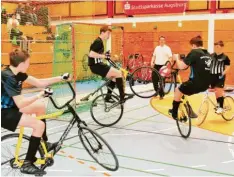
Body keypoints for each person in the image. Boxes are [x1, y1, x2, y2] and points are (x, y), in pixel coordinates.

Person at [1, 49, 69, 175]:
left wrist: (61, 78)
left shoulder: (18, 73)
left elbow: (40, 83)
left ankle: (44, 142)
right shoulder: (9, 77)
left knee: (40, 106)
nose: (29, 65)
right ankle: (28, 163)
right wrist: (39, 95)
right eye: (28, 63)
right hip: (4, 113)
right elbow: (21, 103)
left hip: (12, 107)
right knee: (39, 125)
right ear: (21, 64)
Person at [169, 36, 212, 119]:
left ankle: (174, 113)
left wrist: (177, 58)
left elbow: (181, 66)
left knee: (177, 89)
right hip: (206, 85)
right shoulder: (209, 54)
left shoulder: (194, 52)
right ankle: (187, 108)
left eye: (191, 46)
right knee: (183, 88)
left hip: (195, 85)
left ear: (194, 46)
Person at [88, 26, 134, 104]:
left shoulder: (100, 41)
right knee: (118, 73)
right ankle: (122, 96)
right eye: (108, 33)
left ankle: (108, 97)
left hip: (97, 65)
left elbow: (96, 53)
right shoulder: (98, 41)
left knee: (114, 78)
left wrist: (105, 55)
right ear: (102, 33)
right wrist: (104, 56)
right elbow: (91, 54)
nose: (109, 35)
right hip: (96, 66)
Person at [210, 41, 231, 114]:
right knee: (216, 92)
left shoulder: (225, 57)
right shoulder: (211, 55)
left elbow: (228, 67)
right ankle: (220, 103)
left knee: (218, 91)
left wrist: (222, 74)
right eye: (215, 47)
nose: (216, 48)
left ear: (222, 47)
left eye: (218, 47)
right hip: (212, 77)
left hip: (220, 76)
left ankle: (221, 108)